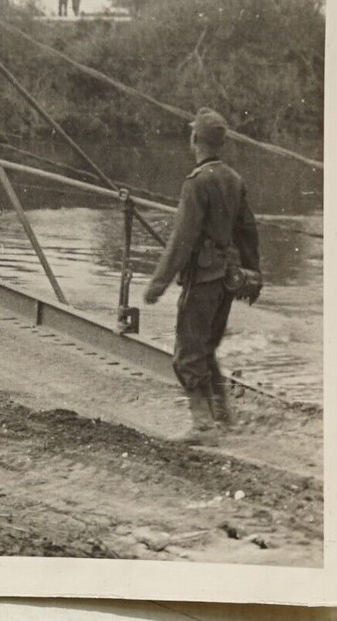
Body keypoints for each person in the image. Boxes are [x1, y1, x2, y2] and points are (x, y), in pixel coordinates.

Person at [144, 108, 261, 445]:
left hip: (204, 279)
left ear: (195, 139)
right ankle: (224, 417)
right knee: (206, 349)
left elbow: (181, 240)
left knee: (187, 355)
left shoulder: (196, 183)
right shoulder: (234, 179)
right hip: (228, 279)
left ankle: (203, 427)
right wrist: (255, 275)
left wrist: (158, 284)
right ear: (221, 143)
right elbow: (248, 232)